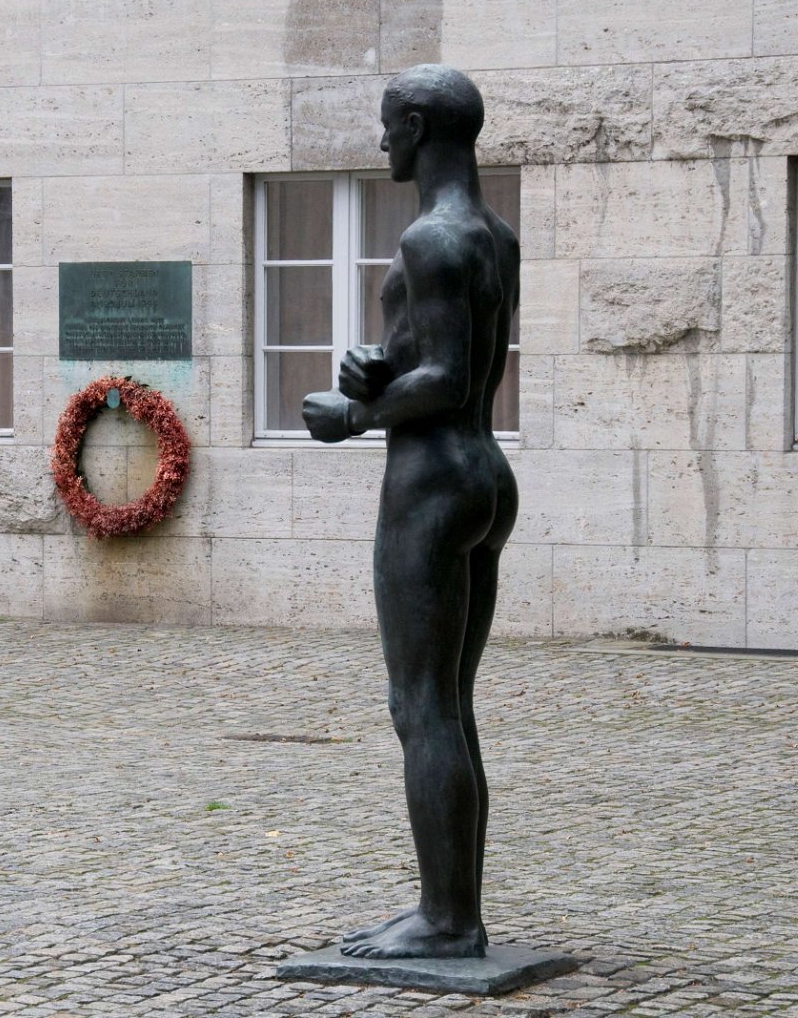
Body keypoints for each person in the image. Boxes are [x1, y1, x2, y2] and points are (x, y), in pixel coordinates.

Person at [302, 64, 519, 961]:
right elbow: (445, 356)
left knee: (420, 705)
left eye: (389, 123)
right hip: (484, 471)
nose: (381, 138)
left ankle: (446, 918)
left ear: (421, 124)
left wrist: (354, 412)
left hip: (431, 481)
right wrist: (380, 366)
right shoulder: (494, 233)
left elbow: (449, 376)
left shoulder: (431, 236)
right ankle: (451, 908)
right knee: (450, 704)